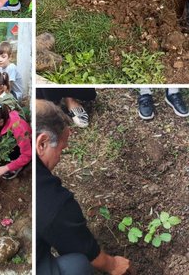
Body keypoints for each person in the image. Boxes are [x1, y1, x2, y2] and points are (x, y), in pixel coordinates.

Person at [36, 99, 131, 274]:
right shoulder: (51, 201)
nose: (59, 158)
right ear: (42, 143)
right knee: (77, 265)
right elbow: (85, 251)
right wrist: (114, 265)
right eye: (61, 150)